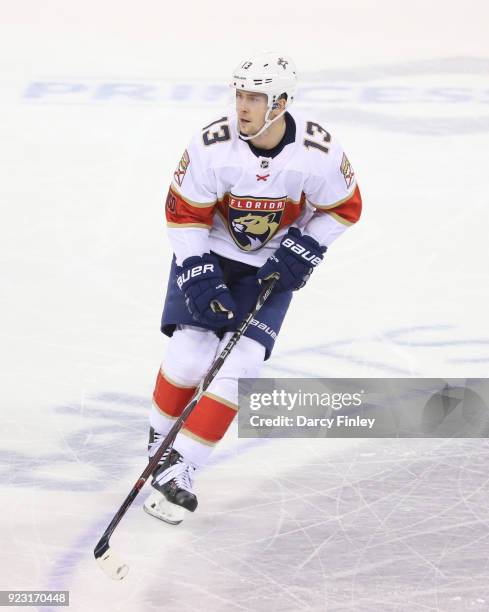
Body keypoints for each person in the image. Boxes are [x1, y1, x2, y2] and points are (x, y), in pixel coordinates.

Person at [143, 52, 362, 524]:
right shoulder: (211, 145)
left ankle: (183, 469)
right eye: (239, 94)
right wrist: (197, 267)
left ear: (280, 103)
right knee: (189, 351)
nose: (242, 106)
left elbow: (344, 208)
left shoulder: (318, 151)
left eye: (254, 97)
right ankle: (159, 452)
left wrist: (306, 248)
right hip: (212, 251)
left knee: (241, 364)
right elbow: (183, 214)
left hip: (271, 266)